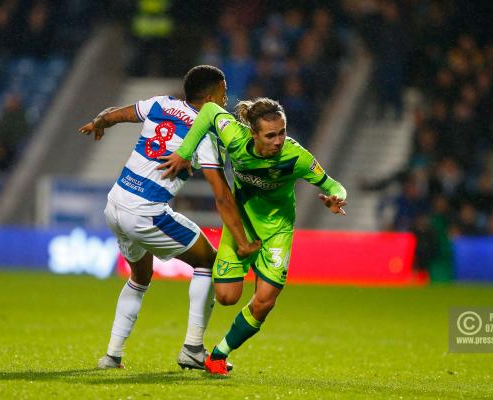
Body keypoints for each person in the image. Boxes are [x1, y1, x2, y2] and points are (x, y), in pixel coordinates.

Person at [78, 65, 259, 370]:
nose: (226, 97)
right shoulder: (205, 134)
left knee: (139, 278)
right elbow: (221, 196)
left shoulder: (161, 104)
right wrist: (241, 240)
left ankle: (111, 356)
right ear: (211, 95)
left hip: (115, 204)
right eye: (224, 90)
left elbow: (113, 114)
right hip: (145, 212)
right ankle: (193, 348)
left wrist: (99, 123)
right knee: (208, 261)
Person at [157, 97, 347, 375]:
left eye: (282, 132)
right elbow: (210, 110)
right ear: (253, 134)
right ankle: (201, 341)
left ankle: (219, 355)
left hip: (277, 232)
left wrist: (336, 199)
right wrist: (185, 152)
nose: (279, 140)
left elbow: (334, 185)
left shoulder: (297, 157)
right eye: (271, 135)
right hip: (241, 226)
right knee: (226, 296)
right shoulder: (235, 137)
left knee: (264, 302)